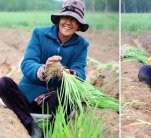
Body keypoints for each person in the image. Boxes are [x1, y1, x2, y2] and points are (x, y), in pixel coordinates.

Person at [0, 0, 89, 137]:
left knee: (69, 95)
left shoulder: (81, 45)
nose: (68, 23)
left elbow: (81, 72)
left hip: (54, 103)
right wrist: (43, 70)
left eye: (74, 20)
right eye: (66, 17)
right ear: (59, 19)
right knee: (3, 83)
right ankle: (31, 126)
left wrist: (68, 73)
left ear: (78, 26)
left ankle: (51, 131)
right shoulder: (40, 34)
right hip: (28, 99)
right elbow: (28, 62)